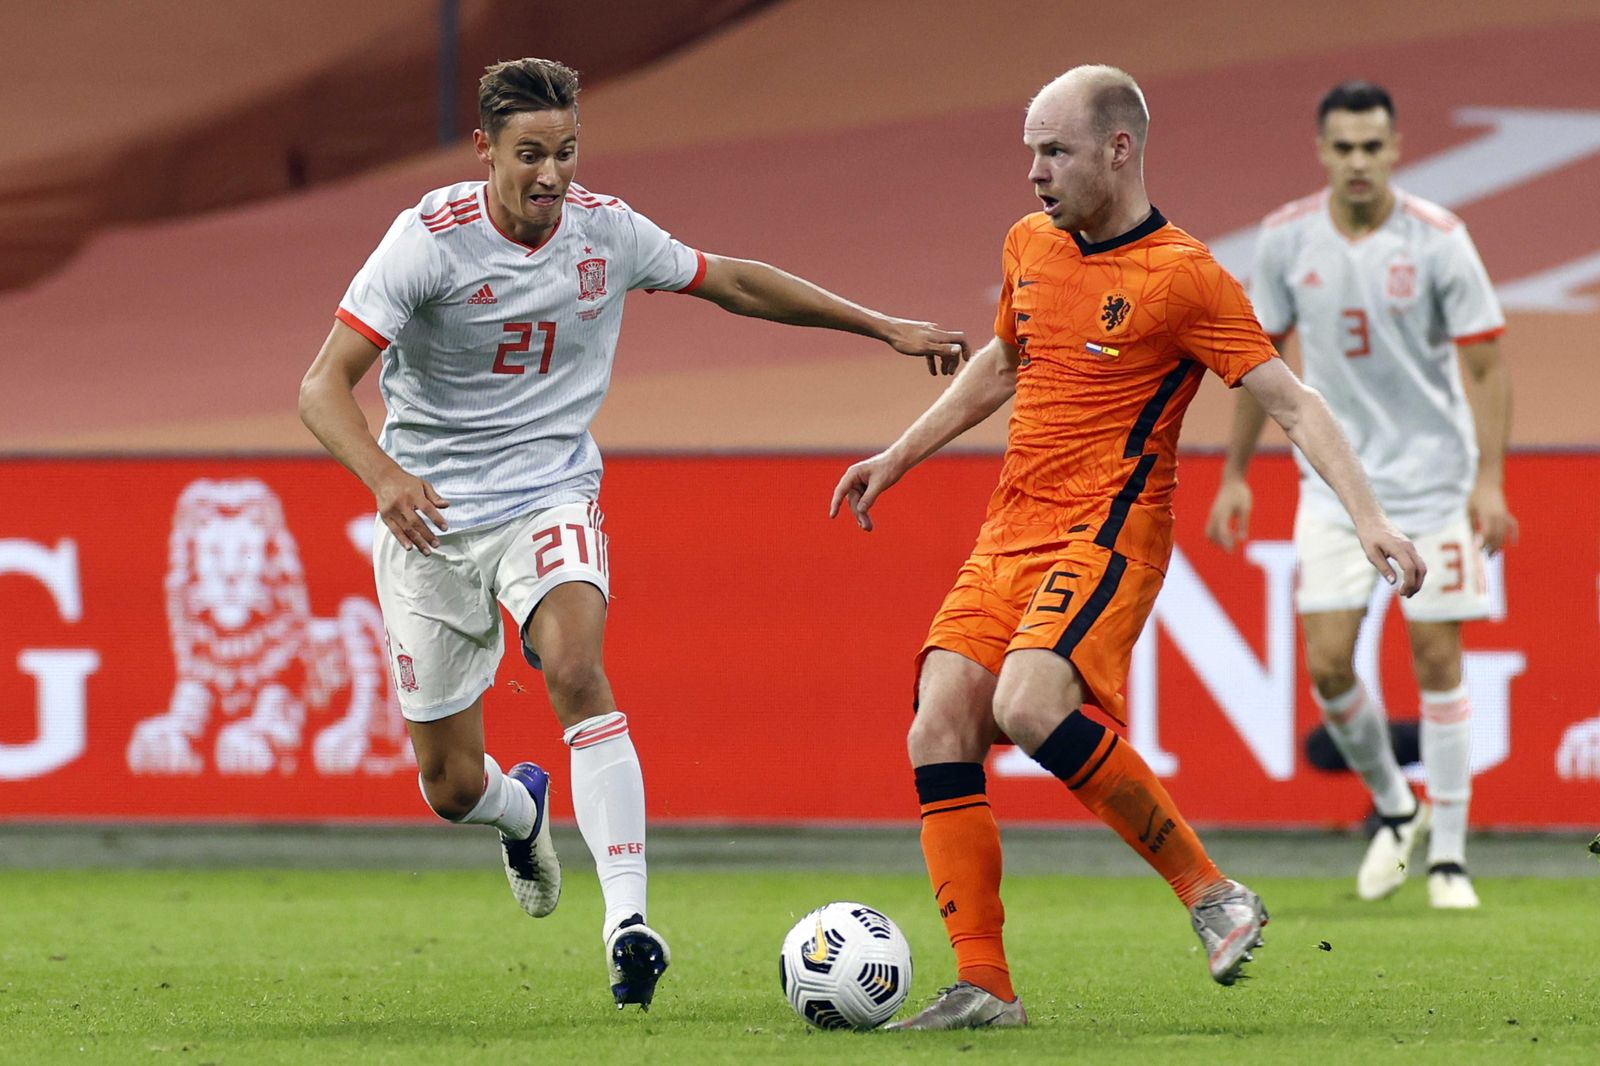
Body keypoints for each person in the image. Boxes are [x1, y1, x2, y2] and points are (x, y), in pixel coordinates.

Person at [298, 57, 968, 1012]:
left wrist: (883, 326)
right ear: (485, 149)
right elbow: (321, 387)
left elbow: (731, 280)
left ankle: (628, 926)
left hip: (550, 493)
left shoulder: (604, 232)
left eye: (567, 152)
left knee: (574, 667)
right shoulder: (425, 244)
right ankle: (519, 811)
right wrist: (386, 477)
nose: (552, 176)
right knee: (448, 785)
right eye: (531, 154)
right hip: (433, 518)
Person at [830, 65, 1425, 1030]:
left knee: (1028, 703)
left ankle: (1211, 895)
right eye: (1029, 150)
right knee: (938, 722)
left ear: (1120, 149)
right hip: (1010, 526)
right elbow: (1006, 360)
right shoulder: (1030, 244)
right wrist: (899, 455)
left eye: (1054, 151)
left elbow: (1291, 400)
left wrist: (1370, 518)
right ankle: (986, 986)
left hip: (1109, 529)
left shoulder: (1183, 276)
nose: (1033, 172)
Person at [1205, 81, 1512, 910]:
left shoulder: (1441, 240)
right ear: (1322, 152)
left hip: (1436, 481)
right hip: (1335, 483)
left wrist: (1489, 480)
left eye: (1372, 146)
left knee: (1438, 657)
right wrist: (1235, 473)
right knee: (1330, 663)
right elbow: (1257, 362)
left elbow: (1485, 364)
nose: (1358, 162)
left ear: (1397, 148)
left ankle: (1447, 857)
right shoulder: (1285, 239)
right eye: (1343, 147)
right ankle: (1394, 804)